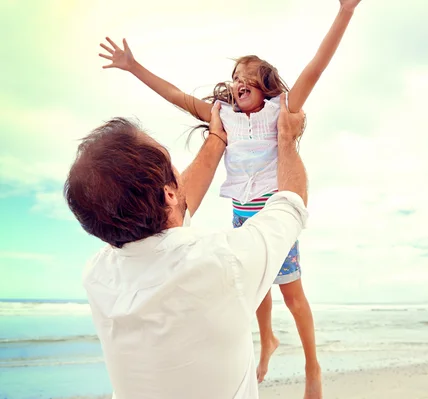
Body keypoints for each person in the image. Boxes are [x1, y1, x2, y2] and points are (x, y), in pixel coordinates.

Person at [97, 1, 362, 389]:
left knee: (292, 295)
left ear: (265, 84)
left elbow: (315, 68)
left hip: (276, 210)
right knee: (256, 291)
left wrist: (345, 13)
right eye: (236, 75)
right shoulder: (223, 116)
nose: (239, 81)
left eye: (249, 76)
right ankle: (267, 339)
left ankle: (312, 365)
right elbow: (176, 95)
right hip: (241, 212)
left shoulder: (282, 110)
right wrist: (133, 66)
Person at [64, 94, 310, 399]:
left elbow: (173, 209)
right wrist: (287, 137)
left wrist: (218, 137)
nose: (179, 172)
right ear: (168, 193)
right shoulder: (223, 262)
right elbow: (291, 204)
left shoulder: (98, 276)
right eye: (171, 163)